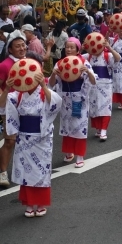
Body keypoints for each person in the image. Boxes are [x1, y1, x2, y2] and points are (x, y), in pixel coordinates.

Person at [0, 68, 62, 217]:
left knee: (41, 171)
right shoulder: (18, 94)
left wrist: (44, 86)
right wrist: (7, 88)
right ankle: (28, 203)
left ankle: (40, 203)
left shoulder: (43, 92)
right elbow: (2, 106)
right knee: (25, 171)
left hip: (42, 138)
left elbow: (55, 105)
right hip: (24, 137)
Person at [48, 37, 96, 168]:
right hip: (65, 98)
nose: (68, 49)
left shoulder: (83, 62)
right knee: (66, 126)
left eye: (72, 47)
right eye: (67, 47)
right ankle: (69, 152)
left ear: (77, 49)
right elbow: (51, 84)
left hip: (79, 97)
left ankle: (80, 155)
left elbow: (92, 81)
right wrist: (53, 74)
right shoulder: (60, 63)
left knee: (80, 126)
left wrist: (88, 72)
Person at [0, 30, 26, 187]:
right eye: (18, 46)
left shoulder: (29, 62)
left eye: (23, 45)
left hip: (29, 107)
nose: (22, 48)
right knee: (10, 141)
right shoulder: (4, 65)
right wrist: (5, 97)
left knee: (27, 139)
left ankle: (23, 170)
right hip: (10, 108)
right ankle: (3, 172)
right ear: (10, 49)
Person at [82, 39, 121, 141]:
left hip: (105, 85)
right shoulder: (87, 56)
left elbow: (118, 58)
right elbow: (76, 60)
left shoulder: (107, 55)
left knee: (105, 108)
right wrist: (81, 49)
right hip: (92, 85)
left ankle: (104, 130)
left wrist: (109, 48)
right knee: (94, 108)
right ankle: (98, 128)